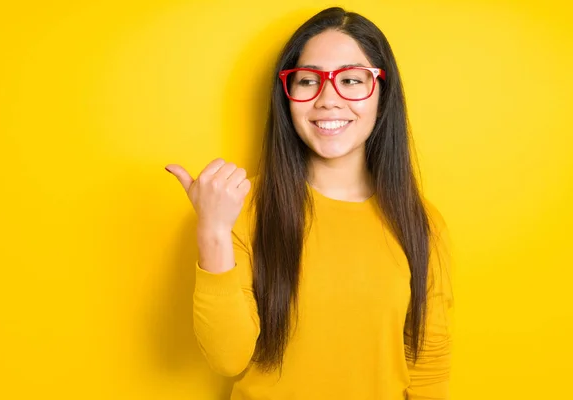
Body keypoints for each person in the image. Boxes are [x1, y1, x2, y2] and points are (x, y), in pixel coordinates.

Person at [166, 6, 453, 400]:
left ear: (383, 96)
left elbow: (428, 364)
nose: (328, 99)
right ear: (287, 96)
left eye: (352, 80)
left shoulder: (421, 223)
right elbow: (228, 358)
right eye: (307, 81)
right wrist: (213, 230)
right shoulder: (242, 209)